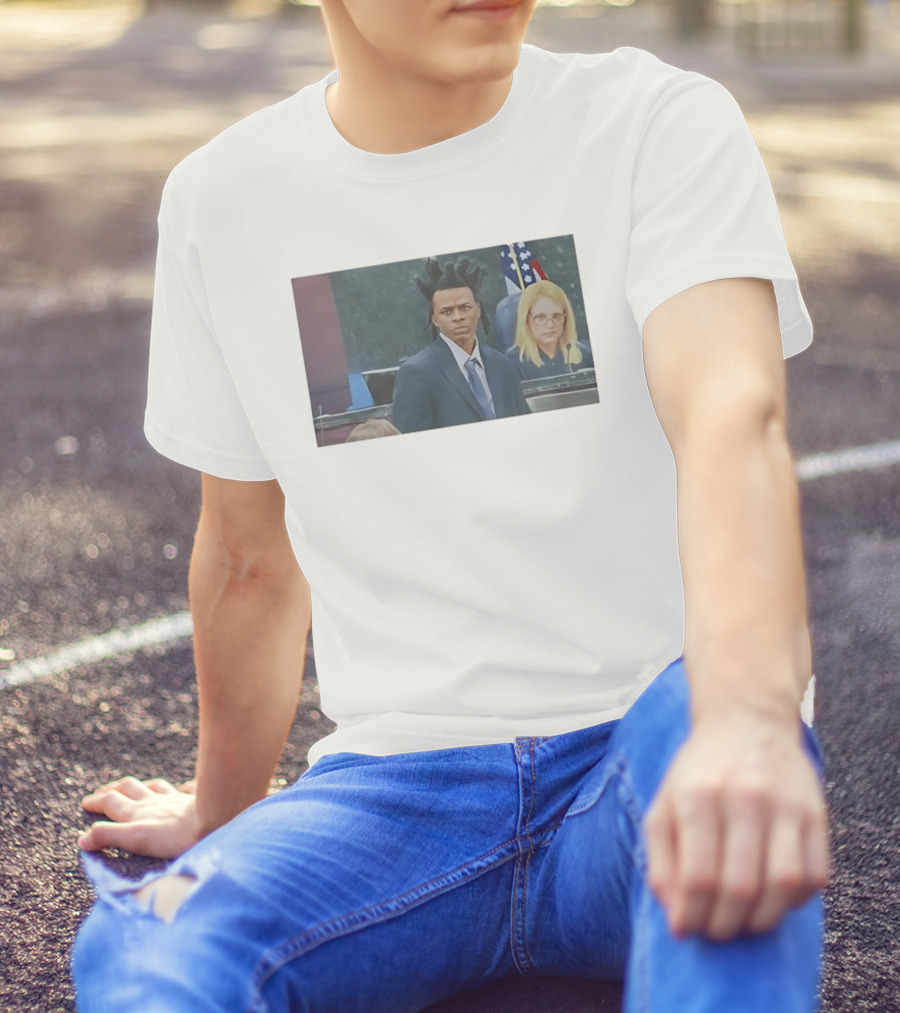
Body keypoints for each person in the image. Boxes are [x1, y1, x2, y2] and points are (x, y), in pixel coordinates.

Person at [71, 1, 829, 1011]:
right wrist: (221, 808)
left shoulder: (656, 122)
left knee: (712, 755)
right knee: (150, 948)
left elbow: (733, 417)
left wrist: (746, 723)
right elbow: (247, 555)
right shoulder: (224, 198)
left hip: (639, 755)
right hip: (395, 797)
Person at [391, 257, 531, 432]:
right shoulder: (416, 372)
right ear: (435, 319)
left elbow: (525, 428)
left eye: (465, 307)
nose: (457, 317)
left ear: (478, 310)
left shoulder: (503, 366)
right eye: (447, 311)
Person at [507, 278, 594, 380]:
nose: (550, 324)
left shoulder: (584, 355)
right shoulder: (511, 364)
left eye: (556, 316)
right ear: (526, 319)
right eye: (541, 317)